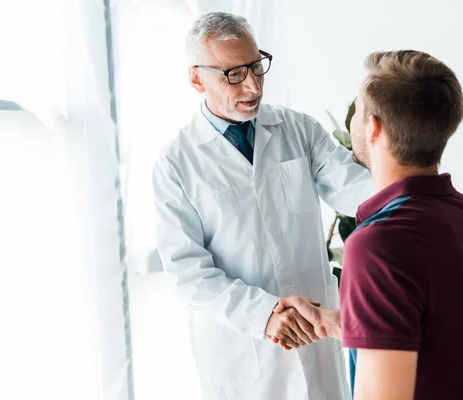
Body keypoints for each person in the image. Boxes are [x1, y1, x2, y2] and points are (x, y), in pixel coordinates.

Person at [152, 11, 373, 400]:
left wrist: (414, 183)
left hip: (315, 334)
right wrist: (264, 314)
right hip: (243, 351)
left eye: (256, 66)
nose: (253, 85)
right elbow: (188, 272)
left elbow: (354, 188)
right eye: (234, 74)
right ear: (196, 78)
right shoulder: (176, 164)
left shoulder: (298, 129)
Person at [272, 50, 463, 400]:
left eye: (357, 109)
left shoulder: (379, 244)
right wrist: (336, 322)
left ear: (373, 127)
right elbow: (436, 333)